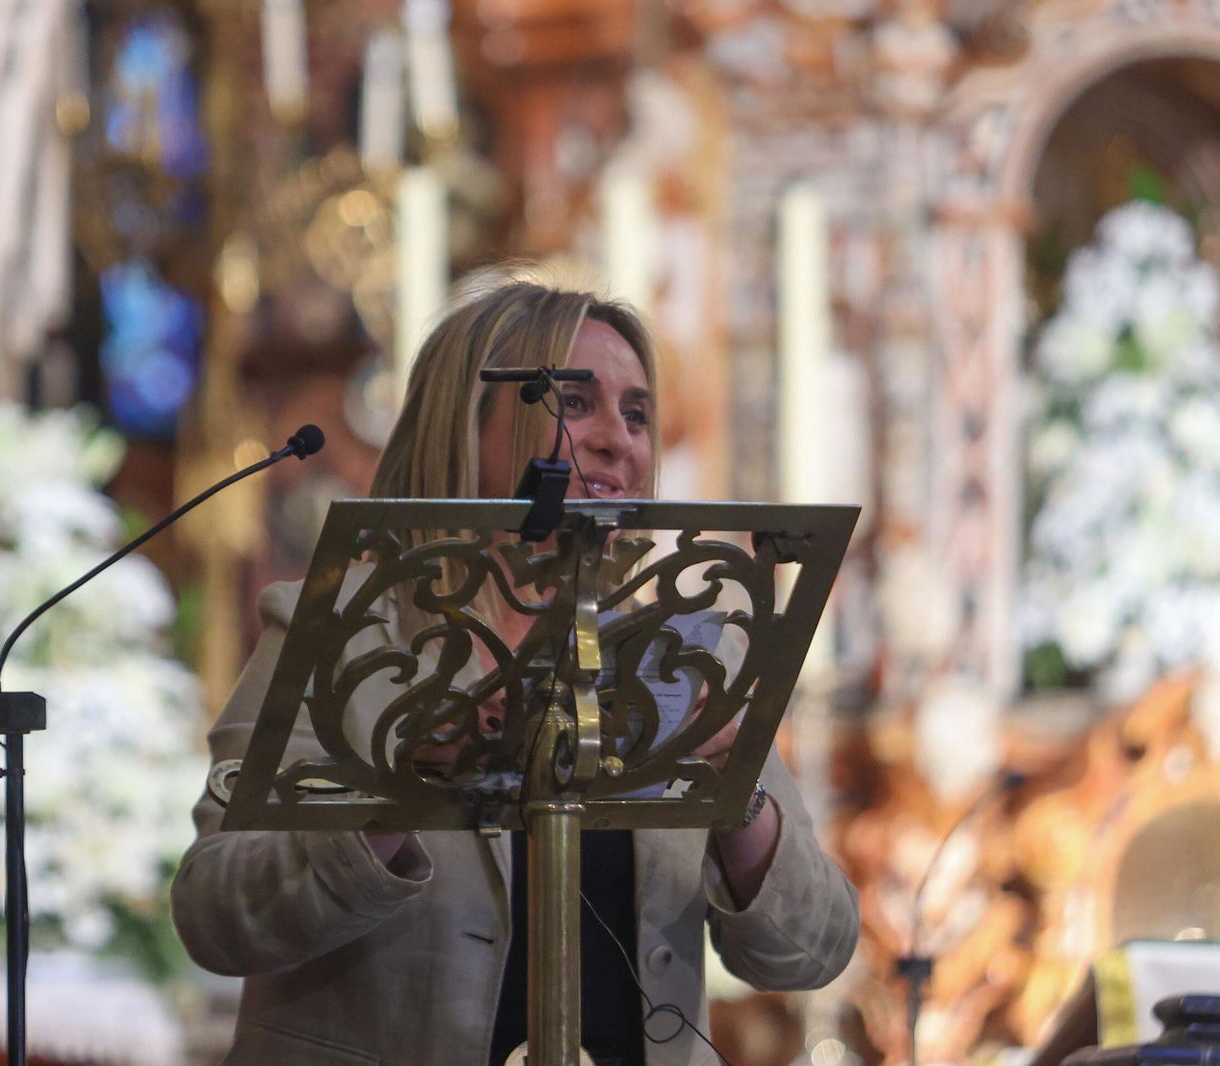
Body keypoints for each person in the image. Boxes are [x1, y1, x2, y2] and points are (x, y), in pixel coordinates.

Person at [171, 277, 860, 1066]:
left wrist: (739, 796)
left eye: (637, 414)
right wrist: (404, 797)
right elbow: (214, 914)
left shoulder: (689, 650)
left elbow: (813, 951)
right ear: (467, 425)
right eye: (574, 404)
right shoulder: (337, 632)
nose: (617, 440)